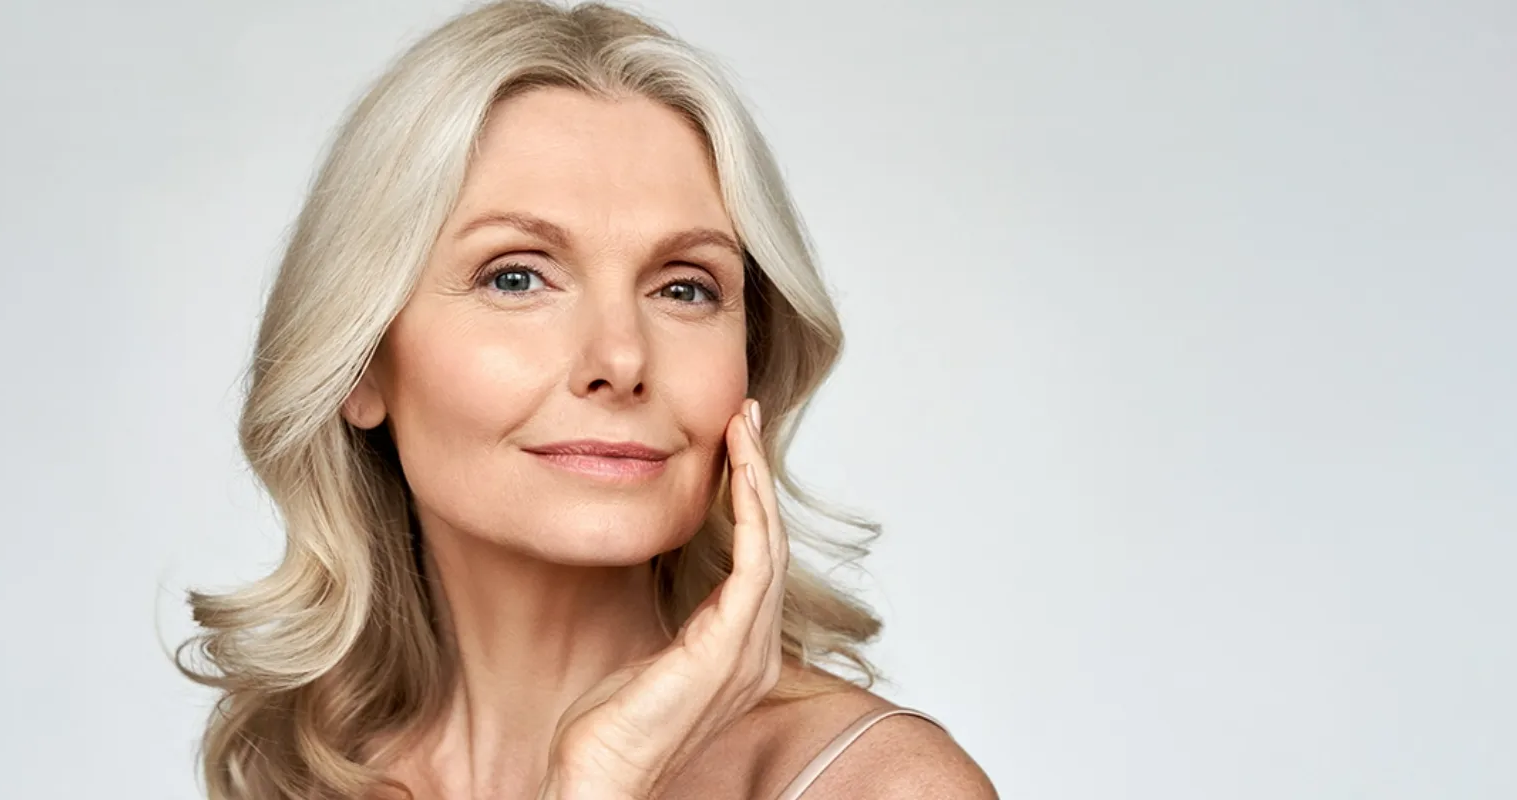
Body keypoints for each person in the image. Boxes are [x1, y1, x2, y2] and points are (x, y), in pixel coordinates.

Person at [176, 2, 997, 797]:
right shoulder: (295, 776)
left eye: (685, 288)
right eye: (517, 276)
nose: (621, 359)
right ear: (360, 363)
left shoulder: (881, 787)